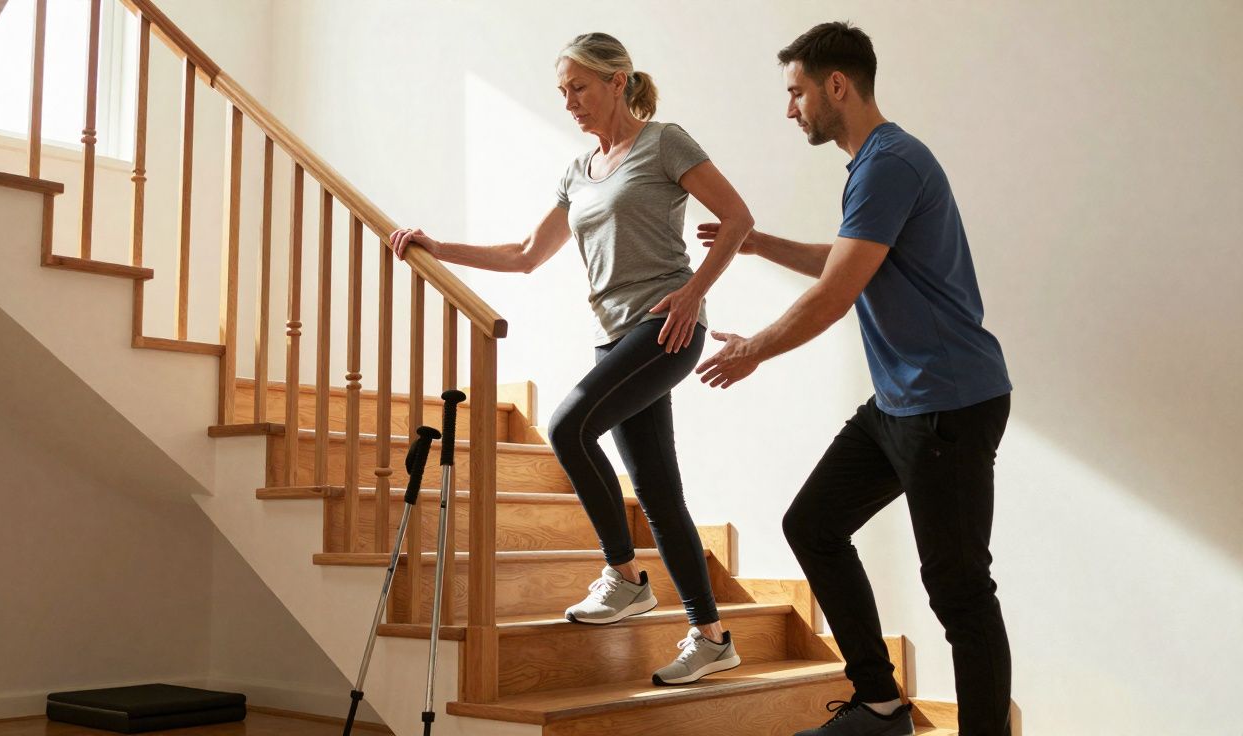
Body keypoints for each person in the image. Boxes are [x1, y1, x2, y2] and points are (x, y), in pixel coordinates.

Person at [390, 32, 753, 685]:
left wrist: (692, 295)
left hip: (664, 327)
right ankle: (712, 635)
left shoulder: (665, 142)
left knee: (565, 426)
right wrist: (436, 245)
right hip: (614, 335)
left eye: (579, 87)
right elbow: (526, 254)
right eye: (562, 92)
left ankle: (622, 574)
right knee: (659, 492)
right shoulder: (578, 170)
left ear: (618, 81)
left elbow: (737, 218)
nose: (570, 102)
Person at [695, 21, 1013, 736]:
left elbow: (836, 296)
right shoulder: (874, 164)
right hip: (902, 404)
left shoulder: (891, 162)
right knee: (813, 523)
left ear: (836, 85)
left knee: (959, 591)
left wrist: (754, 349)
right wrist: (756, 243)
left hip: (949, 404)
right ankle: (878, 704)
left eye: (796, 92)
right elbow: (846, 264)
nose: (790, 109)